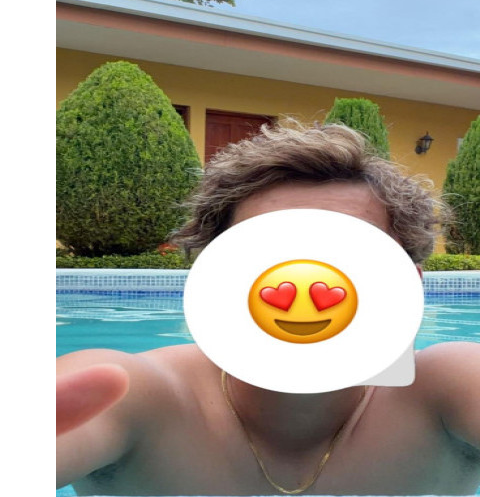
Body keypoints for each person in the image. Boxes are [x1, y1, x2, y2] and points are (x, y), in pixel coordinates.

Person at [57, 121, 480, 496]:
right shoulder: (126, 393)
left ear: (408, 285)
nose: (304, 282)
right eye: (268, 254)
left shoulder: (447, 387)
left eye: (347, 254)